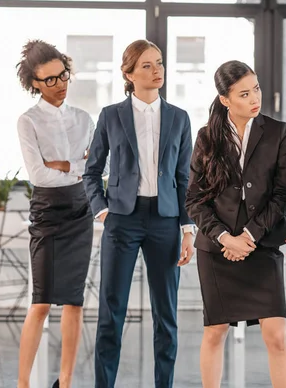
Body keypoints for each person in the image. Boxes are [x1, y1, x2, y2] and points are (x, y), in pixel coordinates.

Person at [83, 39, 195, 388]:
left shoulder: (179, 117)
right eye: (147, 65)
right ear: (128, 74)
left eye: (159, 63)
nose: (157, 70)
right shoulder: (110, 116)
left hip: (165, 220)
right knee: (110, 314)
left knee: (166, 317)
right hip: (122, 220)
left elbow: (184, 178)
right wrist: (102, 212)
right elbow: (91, 171)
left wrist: (187, 229)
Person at [185, 60, 286, 388]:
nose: (254, 98)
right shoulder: (207, 137)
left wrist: (247, 236)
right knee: (215, 331)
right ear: (225, 100)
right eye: (244, 94)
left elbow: (283, 195)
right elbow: (194, 201)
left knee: (276, 334)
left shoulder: (277, 132)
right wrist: (224, 239)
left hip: (261, 245)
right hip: (217, 251)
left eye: (256, 89)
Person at [15, 40, 94, 388]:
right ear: (34, 83)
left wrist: (65, 164)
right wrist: (75, 165)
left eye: (62, 75)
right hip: (47, 211)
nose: (59, 85)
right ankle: (23, 383)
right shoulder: (27, 121)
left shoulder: (83, 118)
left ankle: (65, 382)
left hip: (81, 209)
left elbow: (94, 167)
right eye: (49, 80)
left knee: (74, 302)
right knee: (42, 300)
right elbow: (37, 175)